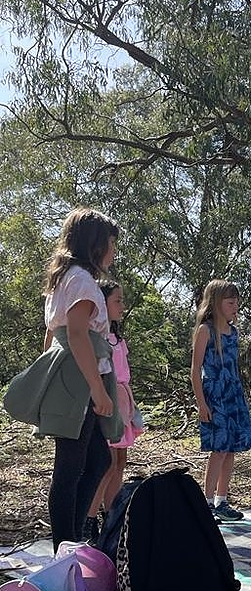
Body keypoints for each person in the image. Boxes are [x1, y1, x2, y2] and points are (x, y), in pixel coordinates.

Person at [43, 208, 122, 550]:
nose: (113, 251)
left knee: (97, 459)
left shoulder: (66, 278)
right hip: (79, 385)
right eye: (111, 244)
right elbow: (76, 335)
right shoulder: (81, 280)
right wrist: (96, 390)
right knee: (70, 468)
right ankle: (65, 548)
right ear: (94, 244)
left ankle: (71, 540)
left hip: (71, 381)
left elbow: (51, 337)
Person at [83, 280, 144, 541]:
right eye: (117, 300)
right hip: (107, 399)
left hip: (123, 399)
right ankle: (89, 518)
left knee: (120, 461)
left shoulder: (118, 337)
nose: (122, 305)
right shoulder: (96, 336)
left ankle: (112, 515)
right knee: (105, 462)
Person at [191, 280, 251, 522]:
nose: (235, 306)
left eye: (236, 302)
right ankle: (206, 503)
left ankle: (222, 500)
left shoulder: (233, 331)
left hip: (233, 393)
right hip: (214, 394)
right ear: (216, 303)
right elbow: (195, 369)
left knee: (231, 450)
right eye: (230, 302)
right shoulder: (205, 330)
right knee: (218, 449)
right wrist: (201, 403)